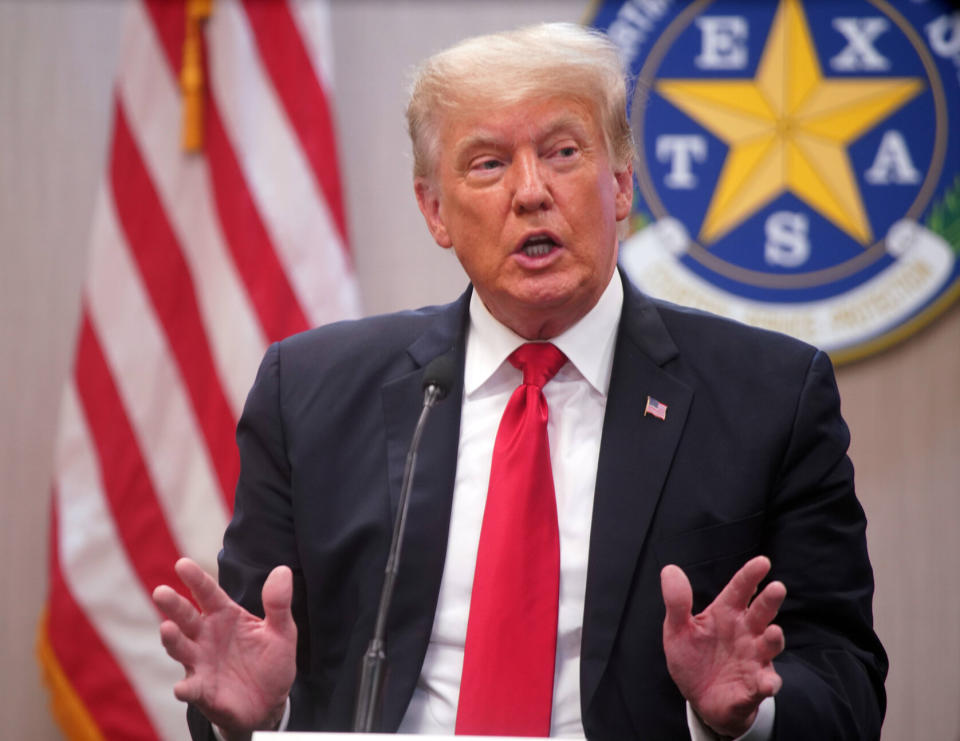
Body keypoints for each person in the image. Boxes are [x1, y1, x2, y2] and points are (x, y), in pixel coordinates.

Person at [153, 22, 887, 741]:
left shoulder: (771, 397)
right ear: (436, 211)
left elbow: (846, 681)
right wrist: (248, 716)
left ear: (622, 184)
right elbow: (246, 659)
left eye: (563, 152)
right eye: (487, 163)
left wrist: (747, 713)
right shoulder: (309, 392)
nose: (531, 191)